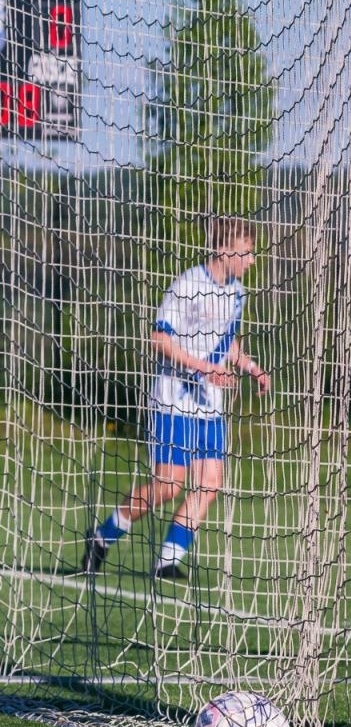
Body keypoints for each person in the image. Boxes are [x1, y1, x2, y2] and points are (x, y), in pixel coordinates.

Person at [82, 217, 271, 580]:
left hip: (209, 405)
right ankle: (102, 537)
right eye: (247, 253)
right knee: (169, 486)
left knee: (210, 484)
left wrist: (251, 366)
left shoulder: (238, 294)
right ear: (223, 249)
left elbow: (226, 341)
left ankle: (167, 560)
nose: (252, 261)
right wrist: (203, 369)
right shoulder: (187, 285)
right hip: (174, 400)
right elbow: (160, 339)